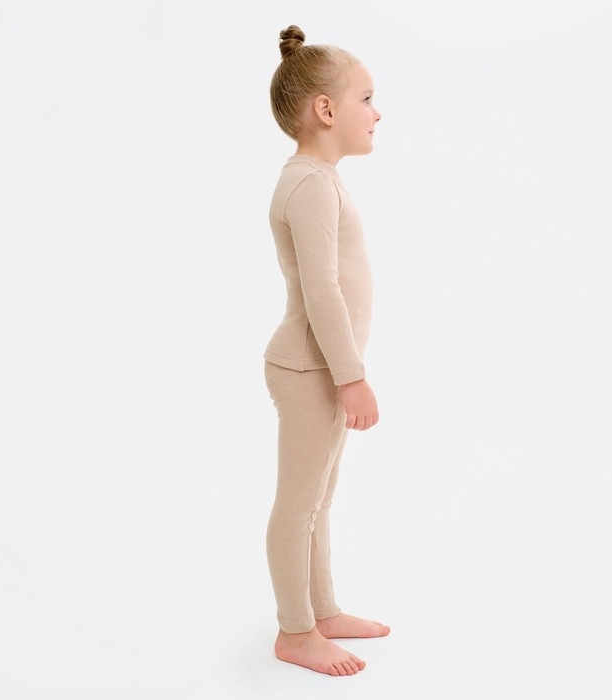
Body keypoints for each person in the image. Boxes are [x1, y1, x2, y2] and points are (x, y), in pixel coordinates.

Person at [263, 25, 389, 677]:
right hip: (310, 366)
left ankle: (322, 611)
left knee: (319, 500)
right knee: (299, 504)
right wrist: (352, 376)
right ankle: (295, 632)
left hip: (322, 367)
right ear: (326, 110)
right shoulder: (309, 184)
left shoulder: (319, 179)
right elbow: (322, 291)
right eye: (366, 98)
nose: (377, 112)